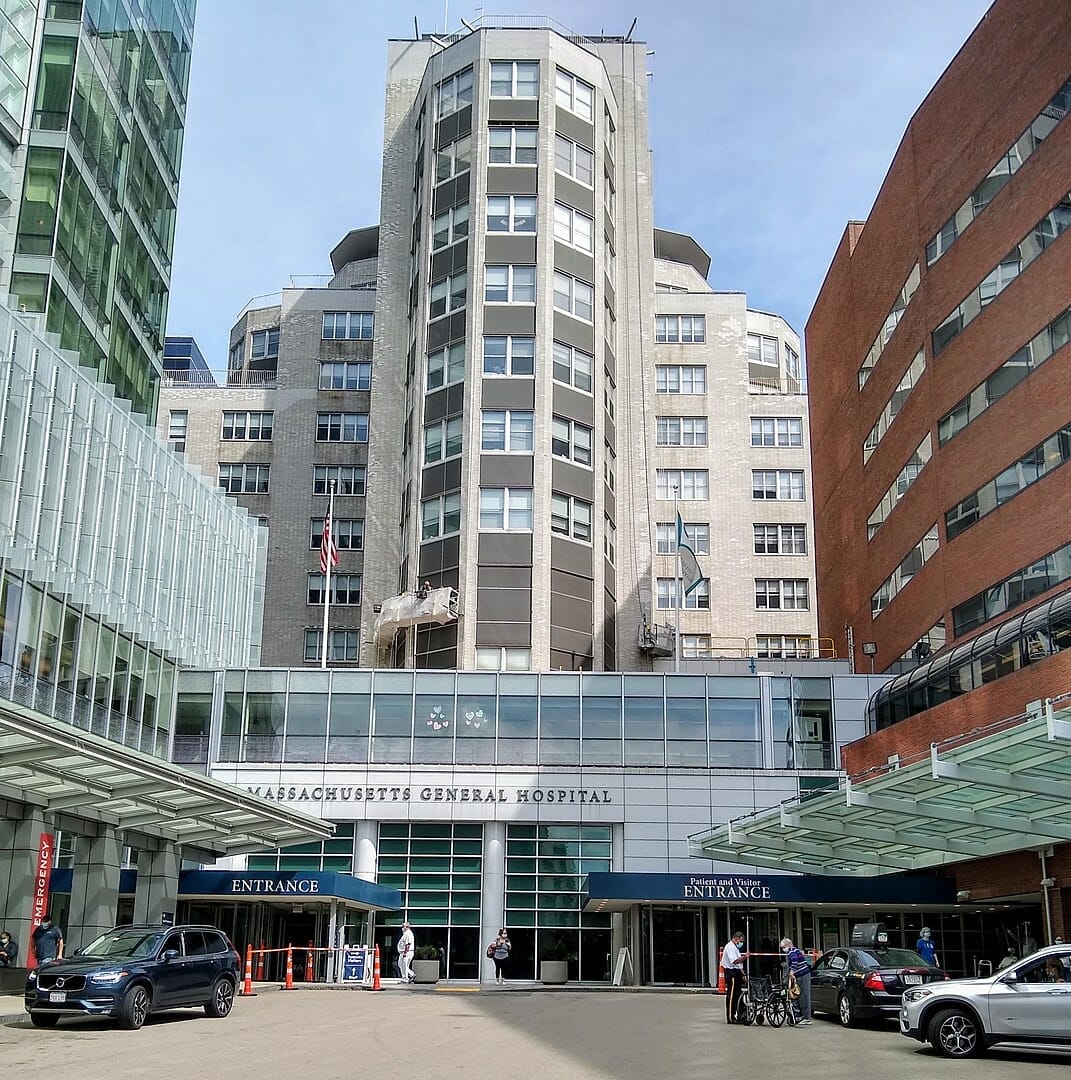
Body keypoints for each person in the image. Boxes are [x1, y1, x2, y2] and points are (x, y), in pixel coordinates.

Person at [780, 937, 813, 1026]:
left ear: (788, 945)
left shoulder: (792, 952)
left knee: (804, 996)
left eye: (783, 947)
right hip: (799, 975)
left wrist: (791, 972)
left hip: (803, 975)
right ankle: (799, 1015)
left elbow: (795, 962)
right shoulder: (794, 951)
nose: (783, 949)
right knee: (797, 995)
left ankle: (806, 1018)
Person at [722, 930, 748, 1024]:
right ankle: (730, 1017)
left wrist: (743, 974)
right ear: (735, 939)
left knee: (739, 995)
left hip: (736, 973)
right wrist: (745, 957)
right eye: (740, 941)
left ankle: (741, 1014)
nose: (741, 943)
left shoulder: (735, 948)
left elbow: (739, 965)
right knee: (732, 996)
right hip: (731, 973)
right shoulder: (730, 947)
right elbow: (735, 961)